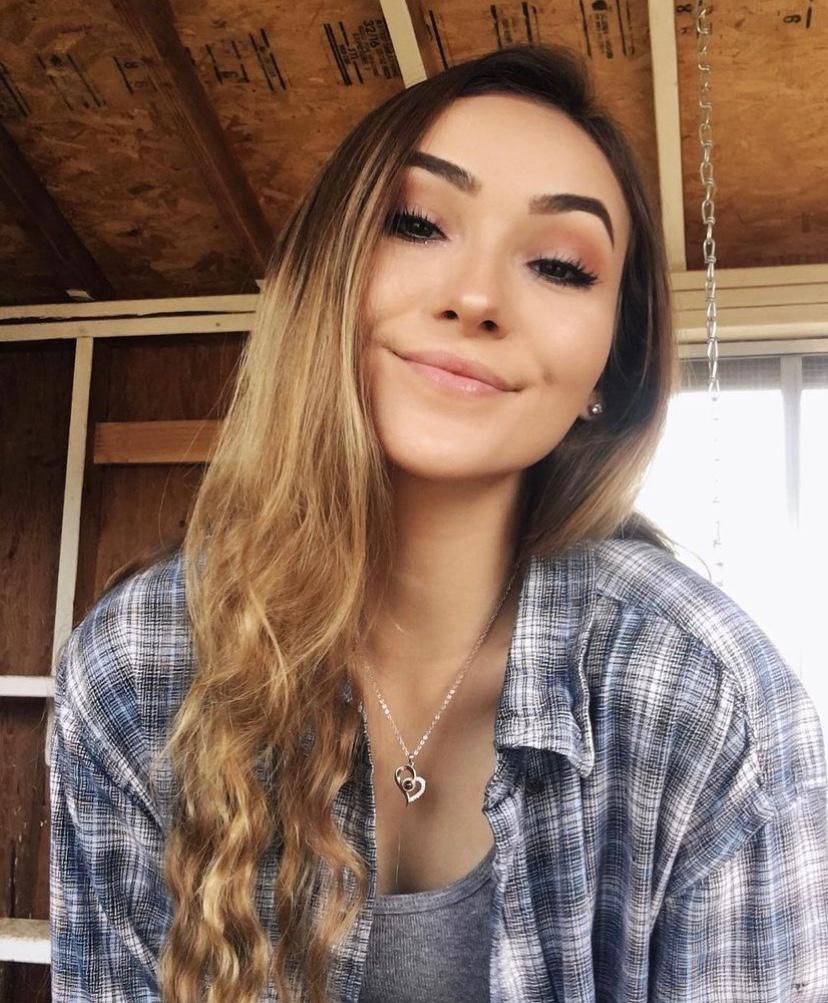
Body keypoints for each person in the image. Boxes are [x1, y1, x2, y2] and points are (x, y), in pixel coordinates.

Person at [49, 42, 828, 1003]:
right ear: (326, 278)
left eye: (559, 265)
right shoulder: (139, 667)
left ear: (608, 368)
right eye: (417, 223)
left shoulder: (702, 699)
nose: (477, 298)